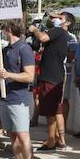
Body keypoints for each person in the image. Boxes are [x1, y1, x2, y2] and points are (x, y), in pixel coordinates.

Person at [0, 20, 38, 159]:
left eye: (2, 30)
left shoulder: (24, 48)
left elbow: (29, 76)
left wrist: (9, 75)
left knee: (23, 136)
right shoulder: (5, 50)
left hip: (18, 99)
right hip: (5, 98)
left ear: (8, 30)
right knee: (12, 136)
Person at [30, 14, 70, 151]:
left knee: (51, 112)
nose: (53, 19)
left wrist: (34, 29)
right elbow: (37, 44)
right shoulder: (59, 34)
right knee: (55, 110)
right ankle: (57, 140)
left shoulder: (58, 31)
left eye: (58, 16)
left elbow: (42, 37)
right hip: (53, 76)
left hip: (51, 77)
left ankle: (52, 140)